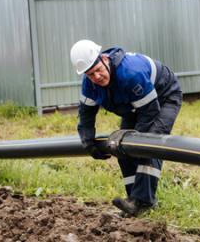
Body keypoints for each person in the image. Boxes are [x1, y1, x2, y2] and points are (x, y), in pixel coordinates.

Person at [71, 39, 182, 217]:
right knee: (120, 146)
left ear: (104, 59)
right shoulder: (89, 84)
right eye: (90, 74)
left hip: (164, 96)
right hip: (135, 104)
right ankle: (132, 201)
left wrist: (137, 140)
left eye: (98, 70)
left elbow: (150, 110)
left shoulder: (130, 73)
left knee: (147, 144)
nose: (96, 77)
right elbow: (86, 115)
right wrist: (88, 141)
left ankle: (143, 202)